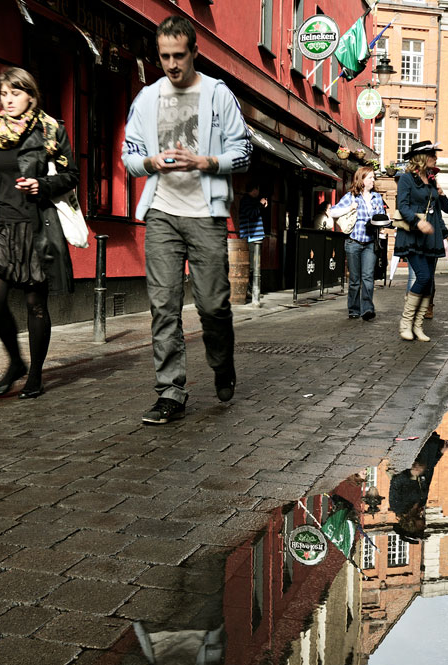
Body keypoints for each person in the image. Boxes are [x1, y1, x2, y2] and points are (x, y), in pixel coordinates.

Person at [121, 15, 252, 425]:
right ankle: (170, 393)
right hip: (162, 212)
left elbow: (245, 151)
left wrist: (209, 161)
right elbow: (128, 157)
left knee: (213, 306)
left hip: (206, 215)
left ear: (194, 51)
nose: (173, 65)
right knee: (164, 307)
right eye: (165, 57)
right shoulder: (147, 98)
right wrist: (148, 161)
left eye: (179, 55)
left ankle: (222, 361)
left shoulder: (217, 94)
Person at [0, 67, 76, 399]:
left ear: (30, 95)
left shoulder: (50, 130)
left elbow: (72, 175)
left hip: (36, 228)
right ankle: (15, 362)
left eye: (14, 93)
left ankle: (35, 375)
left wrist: (42, 184)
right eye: (3, 94)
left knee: (35, 304)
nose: (7, 100)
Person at [395, 141, 448, 342]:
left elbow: (437, 212)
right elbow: (402, 206)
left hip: (432, 238)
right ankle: (406, 323)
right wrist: (417, 223)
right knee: (422, 277)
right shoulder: (406, 179)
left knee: (428, 282)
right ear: (422, 157)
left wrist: (447, 234)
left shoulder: (431, 181)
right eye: (432, 154)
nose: (436, 158)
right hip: (413, 235)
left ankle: (418, 326)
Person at [327, 165, 385, 321]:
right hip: (353, 242)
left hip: (370, 242)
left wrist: (383, 225)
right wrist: (350, 208)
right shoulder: (351, 196)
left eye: (374, 177)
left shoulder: (377, 198)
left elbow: (382, 217)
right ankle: (353, 309)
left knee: (368, 277)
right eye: (371, 177)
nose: (374, 180)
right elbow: (332, 212)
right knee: (354, 279)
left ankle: (367, 309)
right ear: (362, 179)